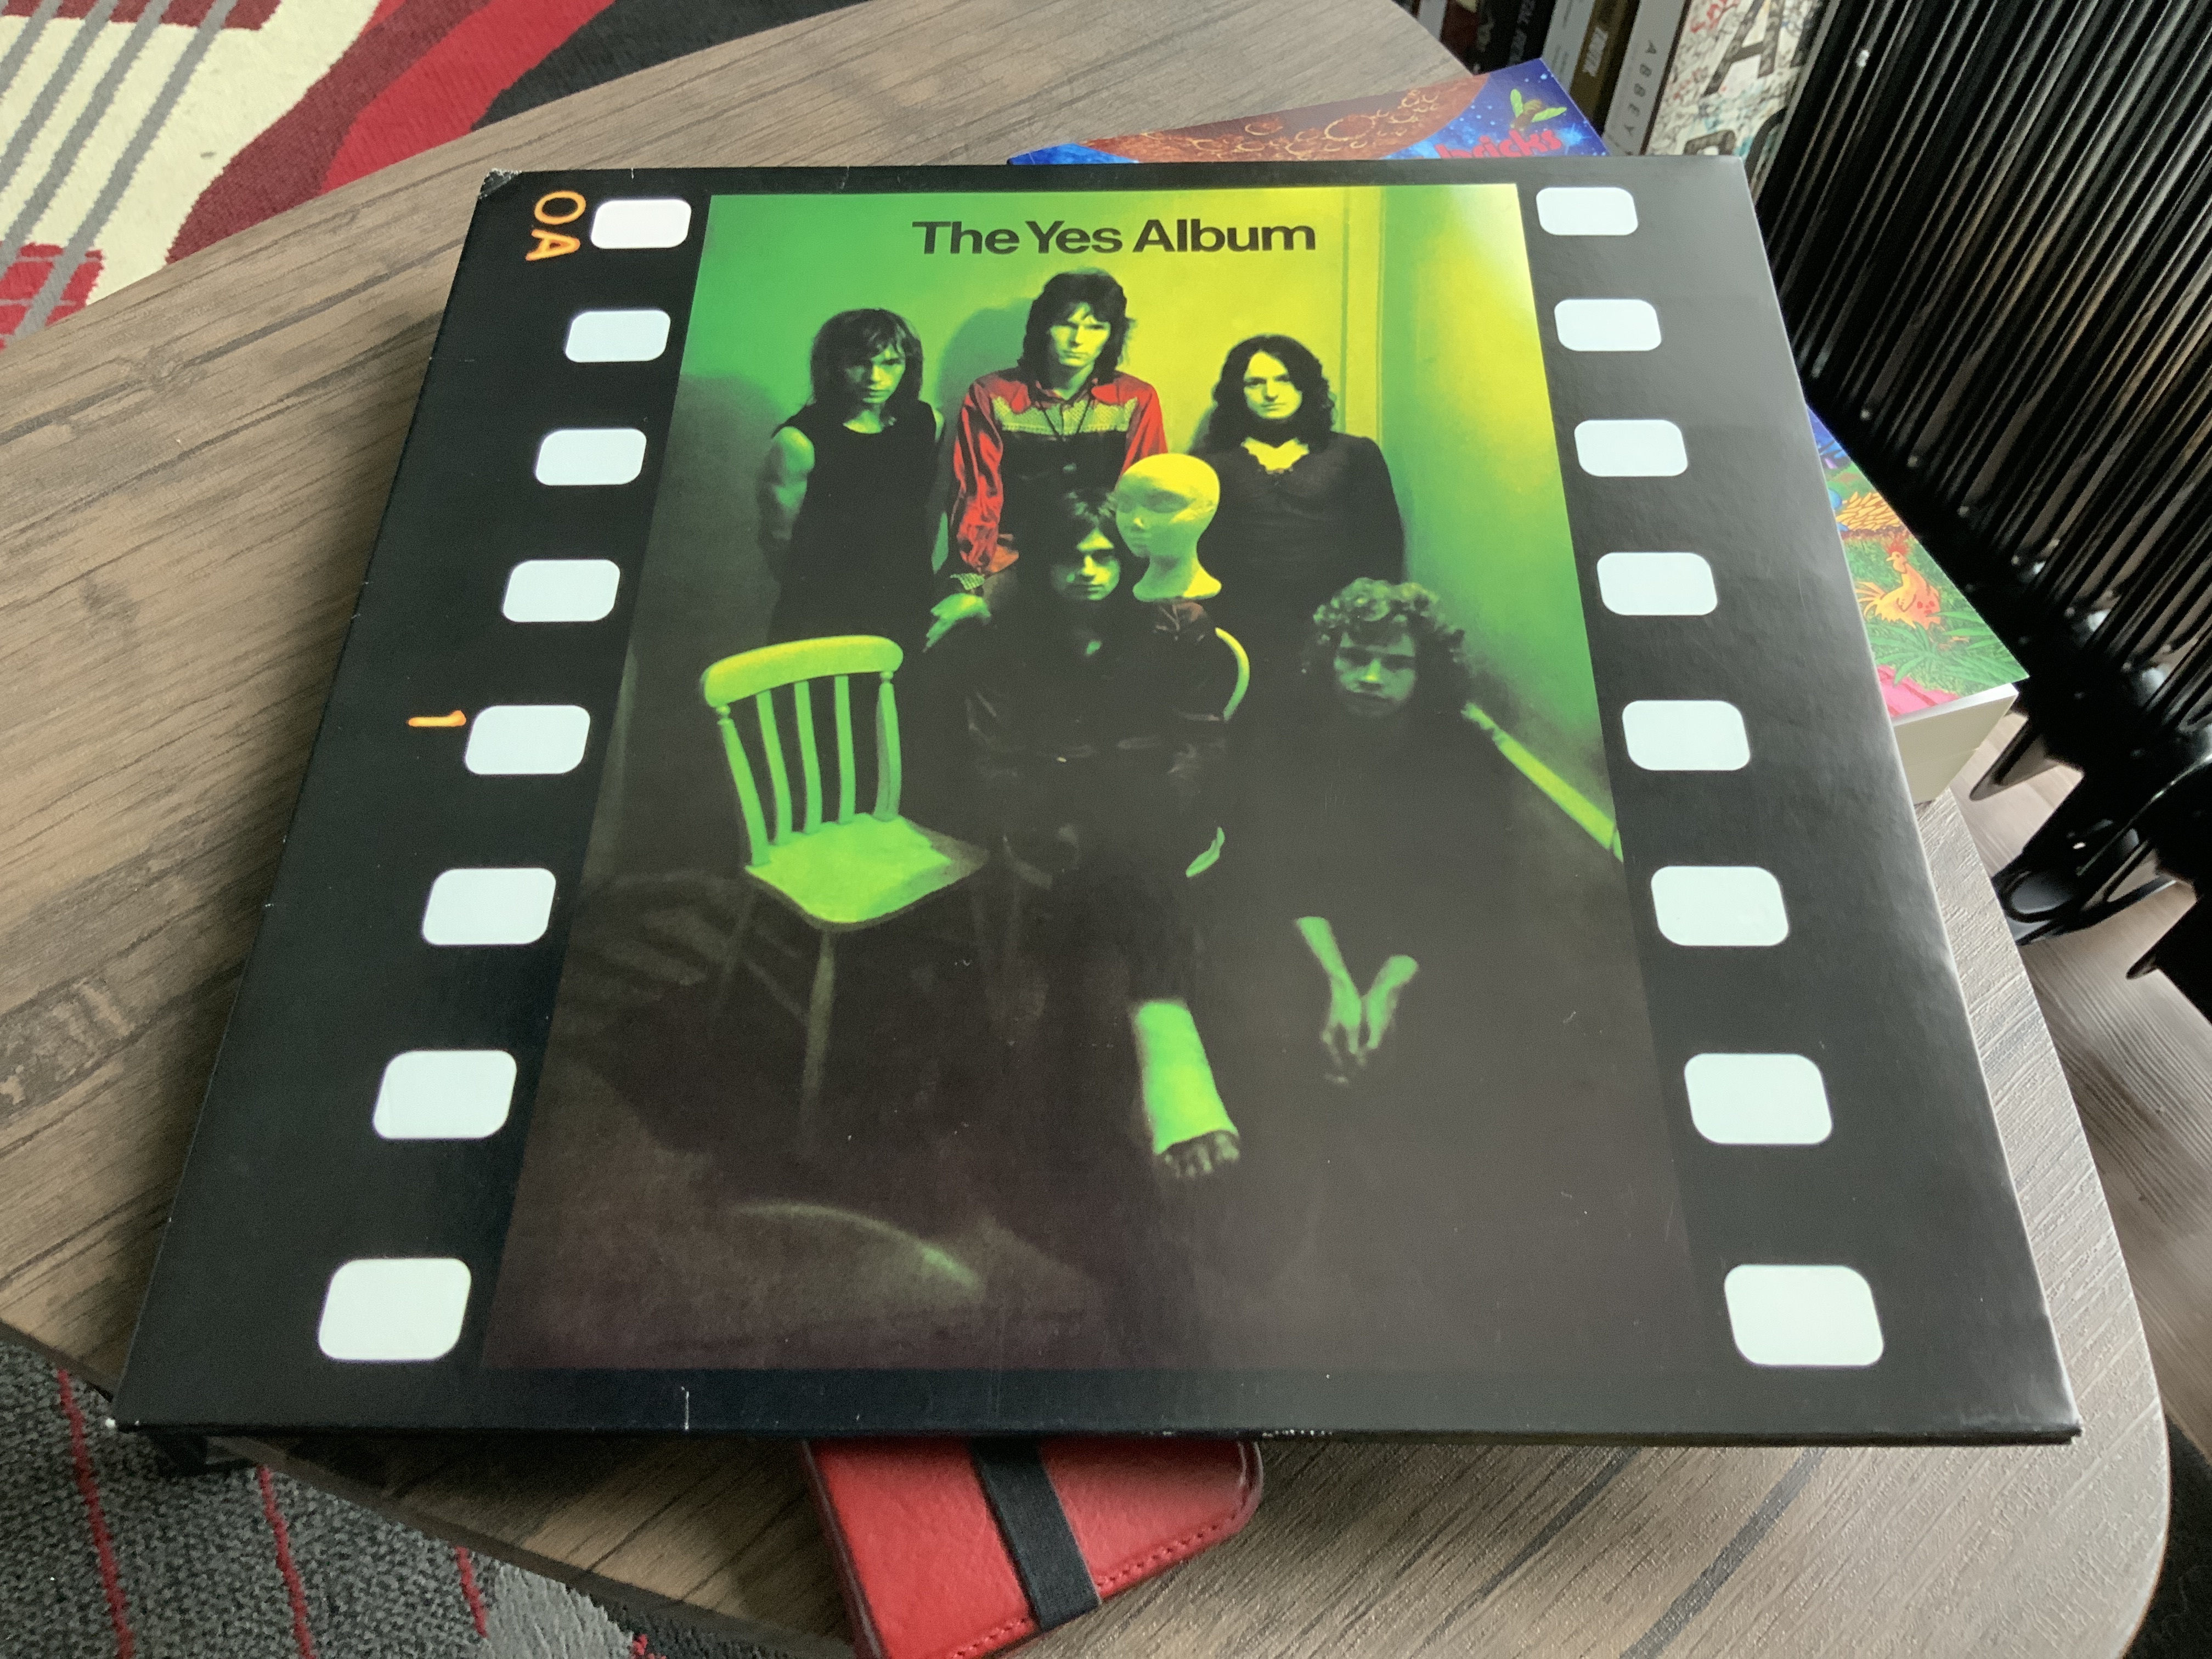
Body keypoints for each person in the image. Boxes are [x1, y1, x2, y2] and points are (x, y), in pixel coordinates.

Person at [1200, 580, 1678, 1368]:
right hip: (1302, 929)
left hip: (1412, 942)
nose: (1370, 677)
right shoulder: (1285, 738)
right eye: (1355, 657)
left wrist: (1385, 989)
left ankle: (1398, 1219)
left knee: (1454, 1041)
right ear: (1329, 658)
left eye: (1394, 663)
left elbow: (1460, 893)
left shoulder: (1462, 755)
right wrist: (1337, 984)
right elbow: (1279, 871)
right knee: (1271, 1025)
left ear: (1424, 673)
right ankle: (1276, 1209)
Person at [930, 271, 1167, 647]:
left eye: (1095, 327)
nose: (1078, 339)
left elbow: (1143, 494)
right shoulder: (993, 394)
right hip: (1010, 556)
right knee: (958, 629)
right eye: (1066, 324)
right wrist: (972, 578)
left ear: (1111, 336)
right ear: (1044, 328)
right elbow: (976, 494)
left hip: (1098, 555)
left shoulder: (1136, 397)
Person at [1193, 335, 1404, 696]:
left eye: (1285, 379)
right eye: (1255, 382)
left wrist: (1369, 624)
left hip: (1333, 625)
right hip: (1240, 625)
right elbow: (1201, 551)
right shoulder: (1208, 462)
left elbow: (1383, 545)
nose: (1271, 393)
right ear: (1237, 391)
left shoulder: (1353, 453)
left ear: (1306, 385)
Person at [757, 309, 939, 650]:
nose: (876, 377)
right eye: (859, 363)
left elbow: (921, 514)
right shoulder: (797, 442)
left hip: (906, 603)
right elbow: (778, 542)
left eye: (891, 363)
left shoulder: (926, 423)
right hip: (824, 613)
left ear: (908, 365)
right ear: (834, 365)